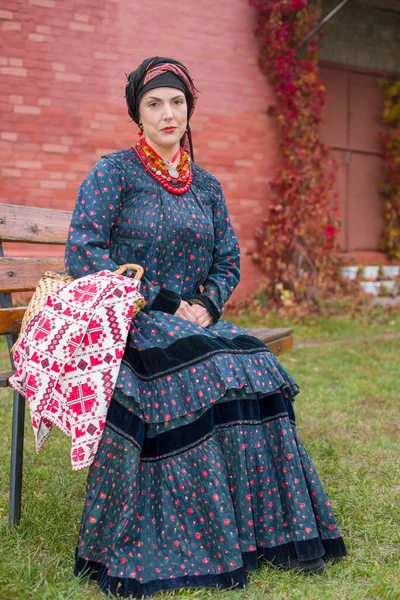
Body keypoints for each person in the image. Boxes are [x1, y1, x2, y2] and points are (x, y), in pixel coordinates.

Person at [65, 56, 346, 598]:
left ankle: (260, 533)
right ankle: (189, 539)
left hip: (193, 325)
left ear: (189, 110)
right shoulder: (114, 172)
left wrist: (206, 305)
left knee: (258, 364)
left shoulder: (208, 187)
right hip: (133, 320)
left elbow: (227, 262)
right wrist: (157, 301)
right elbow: (84, 253)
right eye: (155, 104)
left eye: (177, 102)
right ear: (137, 116)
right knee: (203, 369)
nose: (168, 114)